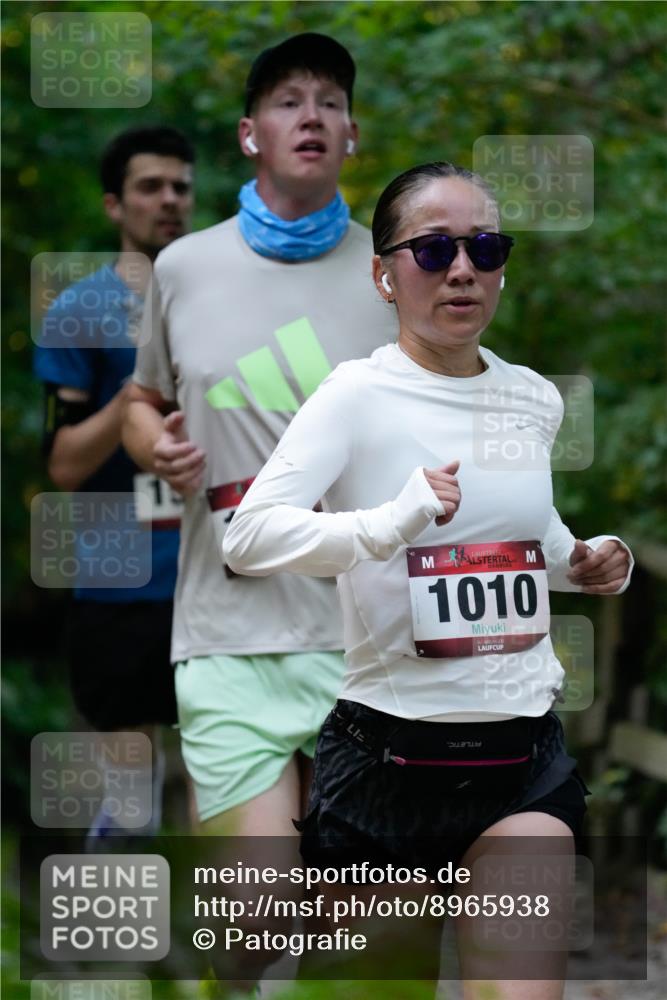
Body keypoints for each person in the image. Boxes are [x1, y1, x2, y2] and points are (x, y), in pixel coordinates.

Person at [223, 162, 634, 997]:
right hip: (389, 763)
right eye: (433, 248)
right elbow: (249, 538)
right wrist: (391, 520)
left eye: (483, 247)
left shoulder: (529, 400)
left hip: (521, 760)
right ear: (382, 274)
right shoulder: (355, 396)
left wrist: (586, 559)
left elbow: (525, 537)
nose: (461, 268)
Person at [122, 33, 396, 840]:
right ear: (250, 135)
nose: (310, 115)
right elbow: (141, 398)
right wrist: (151, 444)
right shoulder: (182, 267)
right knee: (253, 912)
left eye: (330, 102)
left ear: (350, 135)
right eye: (287, 101)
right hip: (226, 630)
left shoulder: (396, 274)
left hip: (369, 639)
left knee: (366, 933)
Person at [34, 125, 195, 842]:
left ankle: (228, 944)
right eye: (150, 186)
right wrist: (135, 389)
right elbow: (64, 465)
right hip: (119, 583)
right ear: (113, 205)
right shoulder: (78, 312)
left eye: (181, 186)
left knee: (228, 786)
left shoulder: (222, 302)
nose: (168, 200)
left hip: (217, 576)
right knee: (131, 808)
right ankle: (129, 945)